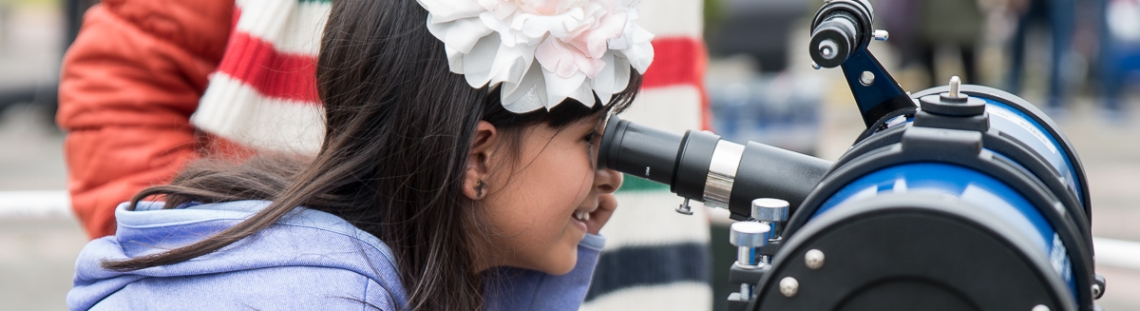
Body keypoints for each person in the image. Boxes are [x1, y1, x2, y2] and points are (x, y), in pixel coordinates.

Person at [66, 0, 657, 309]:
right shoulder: (317, 299)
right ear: (476, 158)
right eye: (589, 140)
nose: (609, 177)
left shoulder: (360, 272)